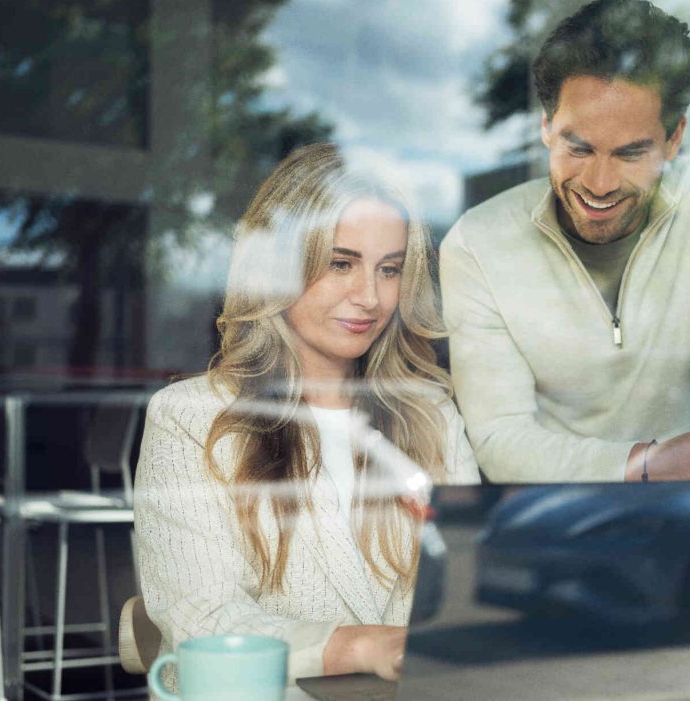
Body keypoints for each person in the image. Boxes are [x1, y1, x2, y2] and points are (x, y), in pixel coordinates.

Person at [439, 0, 690, 661]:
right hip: (538, 565)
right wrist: (645, 462)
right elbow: (499, 437)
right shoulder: (477, 243)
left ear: (674, 138)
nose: (599, 182)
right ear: (547, 127)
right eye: (578, 146)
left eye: (631, 152)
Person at [134, 143, 480, 691]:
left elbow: (466, 589)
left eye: (388, 270)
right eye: (341, 263)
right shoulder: (190, 417)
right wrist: (364, 646)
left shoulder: (430, 413)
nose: (369, 297)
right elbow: (201, 618)